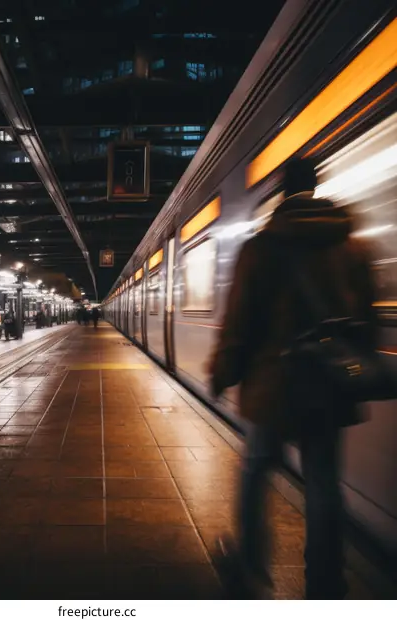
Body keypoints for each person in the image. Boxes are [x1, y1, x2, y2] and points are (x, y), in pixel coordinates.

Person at [206, 157, 378, 600]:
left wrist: (222, 373)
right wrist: (355, 369)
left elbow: (239, 324)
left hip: (274, 387)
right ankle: (325, 582)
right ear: (317, 188)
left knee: (256, 471)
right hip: (328, 387)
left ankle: (249, 568)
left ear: (281, 194)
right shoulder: (353, 247)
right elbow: (367, 322)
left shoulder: (261, 247)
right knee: (323, 482)